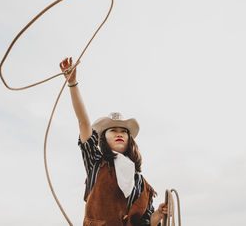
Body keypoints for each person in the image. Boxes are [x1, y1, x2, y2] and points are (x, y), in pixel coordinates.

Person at [60, 57, 168, 226]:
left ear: (129, 140)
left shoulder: (141, 183)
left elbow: (146, 223)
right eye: (113, 130)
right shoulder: (95, 163)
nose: (119, 134)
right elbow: (83, 122)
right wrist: (73, 84)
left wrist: (158, 215)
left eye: (124, 131)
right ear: (103, 138)